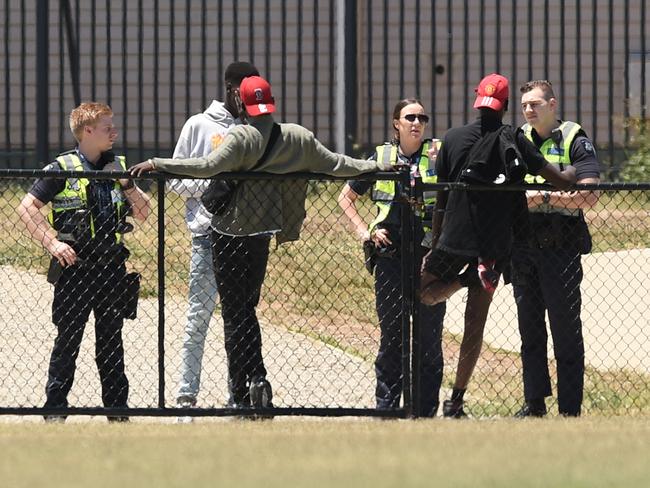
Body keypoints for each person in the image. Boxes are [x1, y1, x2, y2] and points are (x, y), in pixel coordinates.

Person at [130, 75, 395, 414]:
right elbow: (338, 164)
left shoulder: (239, 136)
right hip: (262, 235)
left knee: (235, 314)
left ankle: (245, 390)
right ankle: (255, 380)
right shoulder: (298, 138)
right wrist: (379, 166)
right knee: (246, 310)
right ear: (272, 102)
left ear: (241, 103)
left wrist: (158, 163)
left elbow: (206, 166)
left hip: (227, 235)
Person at [419, 73, 577, 418]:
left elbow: (442, 197)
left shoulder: (453, 138)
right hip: (492, 245)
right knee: (474, 326)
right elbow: (560, 180)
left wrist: (434, 240)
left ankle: (466, 280)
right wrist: (574, 175)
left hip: (453, 238)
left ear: (478, 100)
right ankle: (455, 401)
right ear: (506, 107)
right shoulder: (514, 139)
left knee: (421, 293)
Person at [17, 102, 150, 423]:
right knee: (67, 344)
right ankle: (55, 414)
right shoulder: (61, 168)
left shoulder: (117, 167)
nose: (114, 132)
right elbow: (26, 208)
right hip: (75, 270)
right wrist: (52, 242)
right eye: (107, 127)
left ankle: (118, 415)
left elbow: (144, 213)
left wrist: (127, 183)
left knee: (111, 346)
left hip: (111, 271)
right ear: (87, 131)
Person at [338, 99, 445, 417]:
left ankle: (425, 410)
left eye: (422, 118)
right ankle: (387, 408)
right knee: (392, 338)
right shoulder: (382, 157)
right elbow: (346, 196)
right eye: (410, 117)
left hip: (428, 259)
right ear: (396, 123)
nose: (417, 123)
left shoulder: (437, 155)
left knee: (429, 339)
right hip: (390, 258)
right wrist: (364, 232)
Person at [168, 62, 260, 419]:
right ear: (230, 88)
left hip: (245, 238)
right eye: (244, 90)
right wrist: (217, 185)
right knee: (198, 318)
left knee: (240, 319)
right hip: (208, 236)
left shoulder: (253, 129)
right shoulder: (199, 125)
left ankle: (238, 395)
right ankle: (185, 398)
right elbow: (175, 180)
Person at [512, 80, 600, 418]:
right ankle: (534, 404)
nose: (529, 110)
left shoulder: (575, 140)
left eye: (536, 103)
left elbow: (590, 195)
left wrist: (543, 197)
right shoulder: (517, 140)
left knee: (565, 329)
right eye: (524, 105)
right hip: (524, 247)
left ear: (553, 104)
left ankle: (569, 409)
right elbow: (507, 194)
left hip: (561, 248)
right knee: (530, 331)